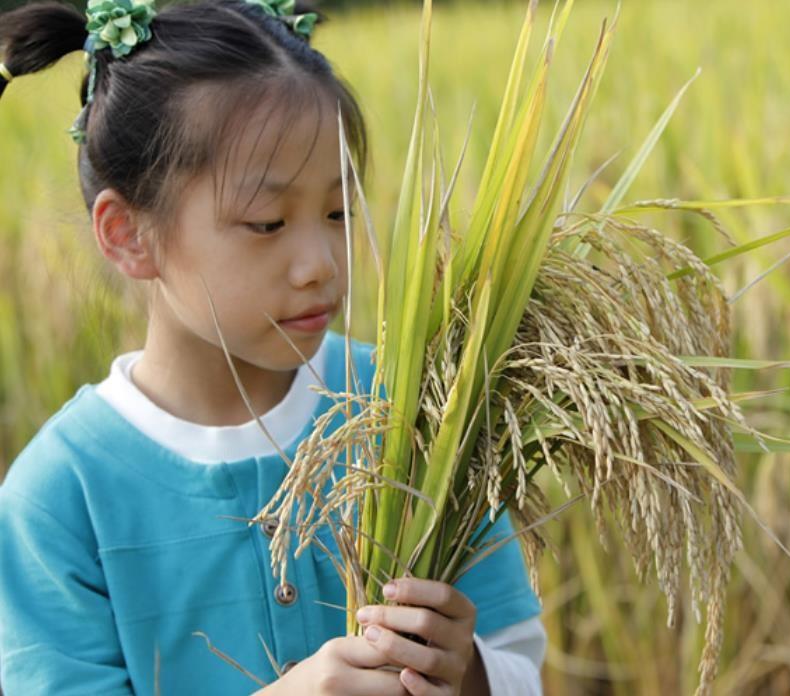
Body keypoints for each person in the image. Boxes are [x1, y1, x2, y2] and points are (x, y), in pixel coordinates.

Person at [0, 1, 546, 694]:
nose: (320, 262)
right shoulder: (61, 498)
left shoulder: (412, 412)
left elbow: (521, 666)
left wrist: (465, 671)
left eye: (339, 212)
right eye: (266, 222)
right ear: (128, 234)